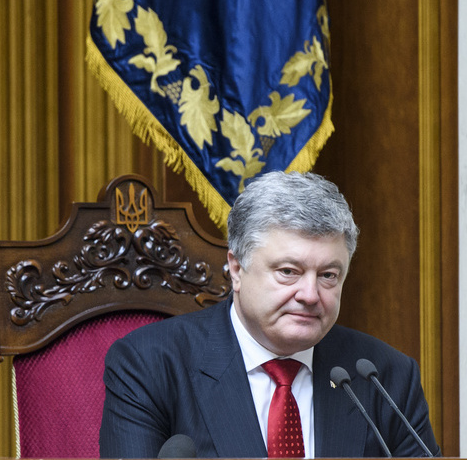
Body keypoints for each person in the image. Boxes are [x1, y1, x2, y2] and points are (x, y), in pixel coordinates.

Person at [99, 171, 441, 458]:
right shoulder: (150, 364)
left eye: (328, 275)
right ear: (236, 269)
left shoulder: (384, 377)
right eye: (288, 272)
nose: (310, 295)